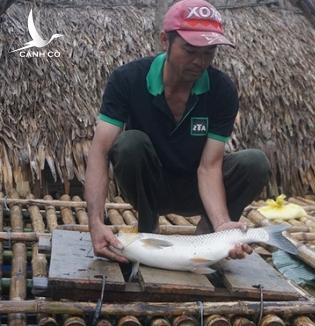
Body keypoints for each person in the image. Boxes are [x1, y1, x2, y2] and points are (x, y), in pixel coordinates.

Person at [86, 0, 270, 264]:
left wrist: (221, 223)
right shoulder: (128, 79)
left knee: (255, 162)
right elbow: (100, 151)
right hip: (149, 186)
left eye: (209, 53)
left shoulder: (221, 90)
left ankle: (211, 240)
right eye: (190, 50)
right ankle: (148, 231)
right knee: (129, 144)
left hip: (195, 188)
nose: (200, 61)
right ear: (165, 40)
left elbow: (210, 166)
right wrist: (95, 222)